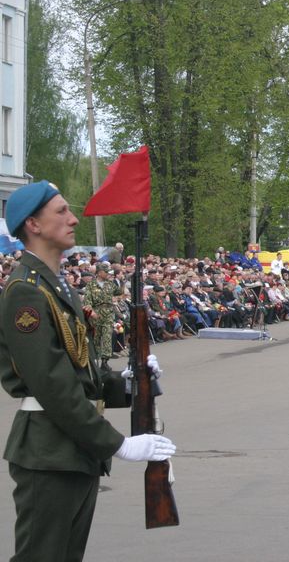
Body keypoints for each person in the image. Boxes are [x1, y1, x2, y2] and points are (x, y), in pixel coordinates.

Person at [0, 181, 175, 561]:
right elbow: (52, 384)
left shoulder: (57, 285)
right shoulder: (25, 291)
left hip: (71, 449)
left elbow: (78, 367)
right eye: (61, 211)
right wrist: (117, 443)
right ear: (33, 223)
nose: (74, 218)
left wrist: (127, 384)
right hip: (48, 451)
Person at [82, 261, 124, 371]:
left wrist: (121, 280)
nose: (109, 274)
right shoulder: (91, 285)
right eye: (106, 272)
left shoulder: (110, 284)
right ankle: (95, 360)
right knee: (96, 338)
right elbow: (87, 301)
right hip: (96, 313)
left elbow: (119, 292)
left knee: (107, 336)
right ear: (100, 272)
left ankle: (105, 361)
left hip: (109, 312)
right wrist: (91, 312)